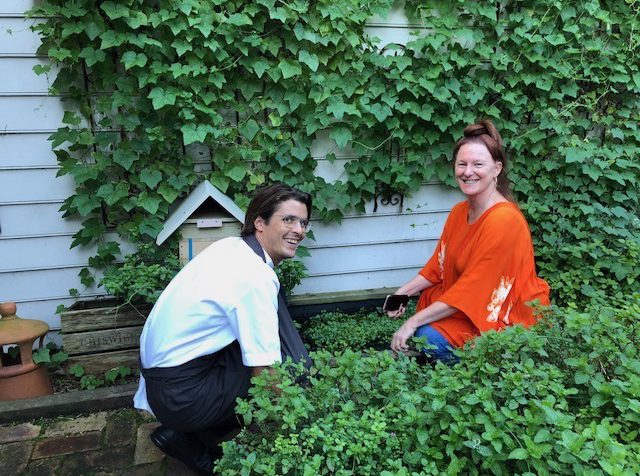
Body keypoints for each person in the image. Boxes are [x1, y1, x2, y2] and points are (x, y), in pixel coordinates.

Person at [133, 182, 312, 474]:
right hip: (182, 398)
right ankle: (197, 442)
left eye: (303, 222)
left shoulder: (231, 247)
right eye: (288, 219)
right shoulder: (255, 276)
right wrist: (290, 431)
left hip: (165, 385)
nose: (299, 230)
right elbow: (265, 371)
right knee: (291, 366)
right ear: (259, 223)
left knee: (275, 347)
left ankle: (188, 434)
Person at [389, 120, 550, 362]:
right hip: (470, 302)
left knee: (426, 335)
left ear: (497, 169)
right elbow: (438, 267)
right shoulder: (458, 212)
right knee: (427, 310)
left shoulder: (504, 220)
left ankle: (487, 364)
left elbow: (473, 290)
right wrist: (402, 293)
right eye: (462, 164)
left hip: (500, 312)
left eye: (478, 164)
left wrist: (411, 323)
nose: (467, 172)